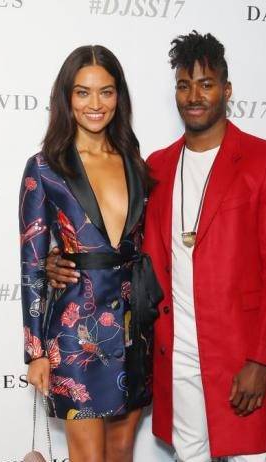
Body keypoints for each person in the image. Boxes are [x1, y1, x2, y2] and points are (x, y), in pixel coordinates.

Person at [47, 31, 266, 461]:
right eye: (184, 85)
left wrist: (262, 360)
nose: (194, 96)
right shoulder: (156, 167)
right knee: (189, 453)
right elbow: (122, 243)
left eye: (206, 84)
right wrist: (60, 258)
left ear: (227, 90)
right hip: (173, 351)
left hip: (238, 352)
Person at [19, 45, 162, 462]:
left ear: (119, 97)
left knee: (121, 451)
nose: (95, 104)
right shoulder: (45, 167)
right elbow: (32, 262)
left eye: (106, 91)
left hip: (133, 331)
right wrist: (35, 353)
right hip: (74, 335)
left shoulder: (136, 163)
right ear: (67, 98)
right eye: (83, 92)